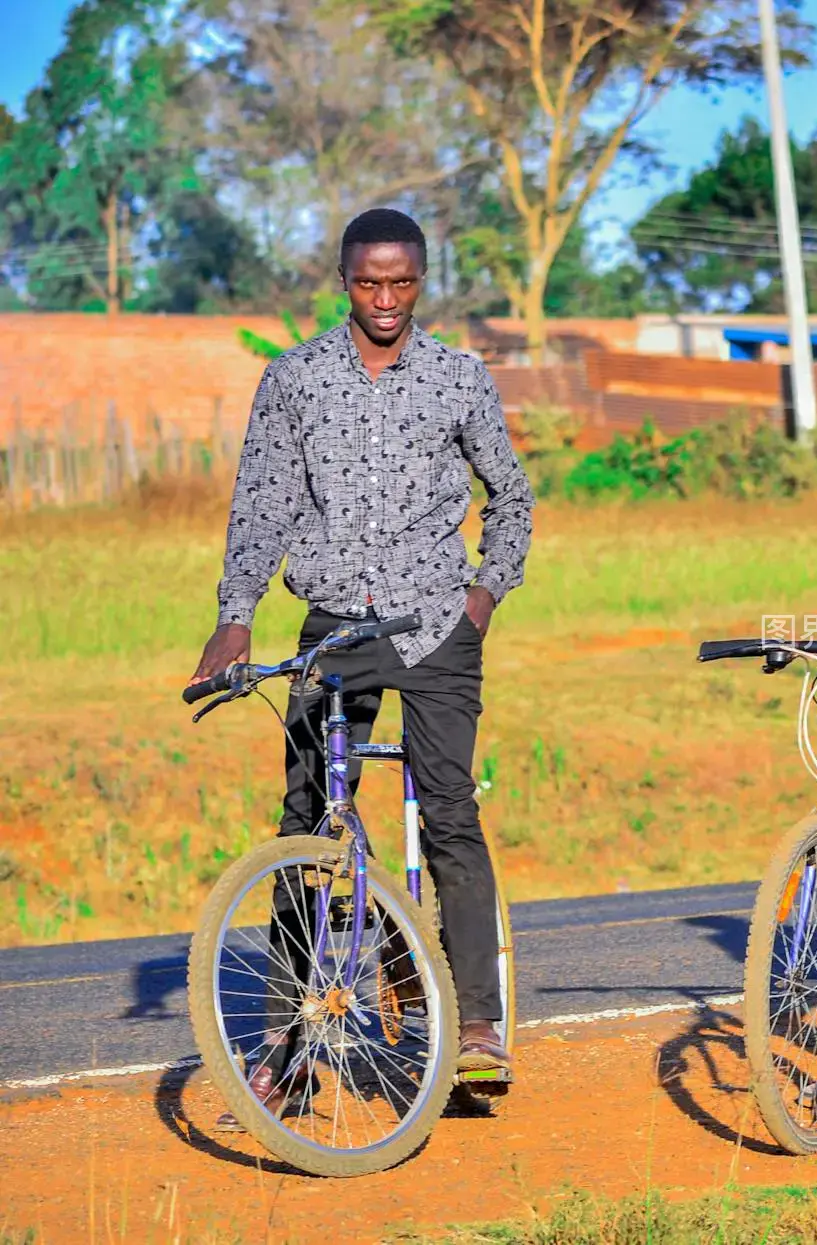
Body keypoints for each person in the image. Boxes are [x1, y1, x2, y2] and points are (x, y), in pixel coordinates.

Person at [189, 208, 535, 1124]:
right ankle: (288, 1052)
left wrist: (483, 599)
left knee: (450, 811)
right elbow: (260, 500)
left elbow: (513, 495)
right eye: (368, 283)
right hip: (332, 629)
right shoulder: (295, 378)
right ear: (343, 280)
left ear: (422, 280)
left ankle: (478, 1033)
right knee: (303, 827)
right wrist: (234, 616)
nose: (385, 300)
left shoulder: (460, 377)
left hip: (434, 628)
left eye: (402, 283)